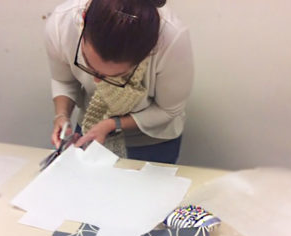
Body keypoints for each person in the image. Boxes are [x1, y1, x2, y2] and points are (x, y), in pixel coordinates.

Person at [46, 0, 193, 164]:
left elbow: (168, 111)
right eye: (88, 66)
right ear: (83, 20)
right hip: (91, 124)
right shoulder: (61, 24)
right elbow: (63, 81)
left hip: (152, 139)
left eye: (119, 75)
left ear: (149, 52)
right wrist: (62, 115)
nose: (96, 81)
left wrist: (112, 124)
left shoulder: (171, 39)